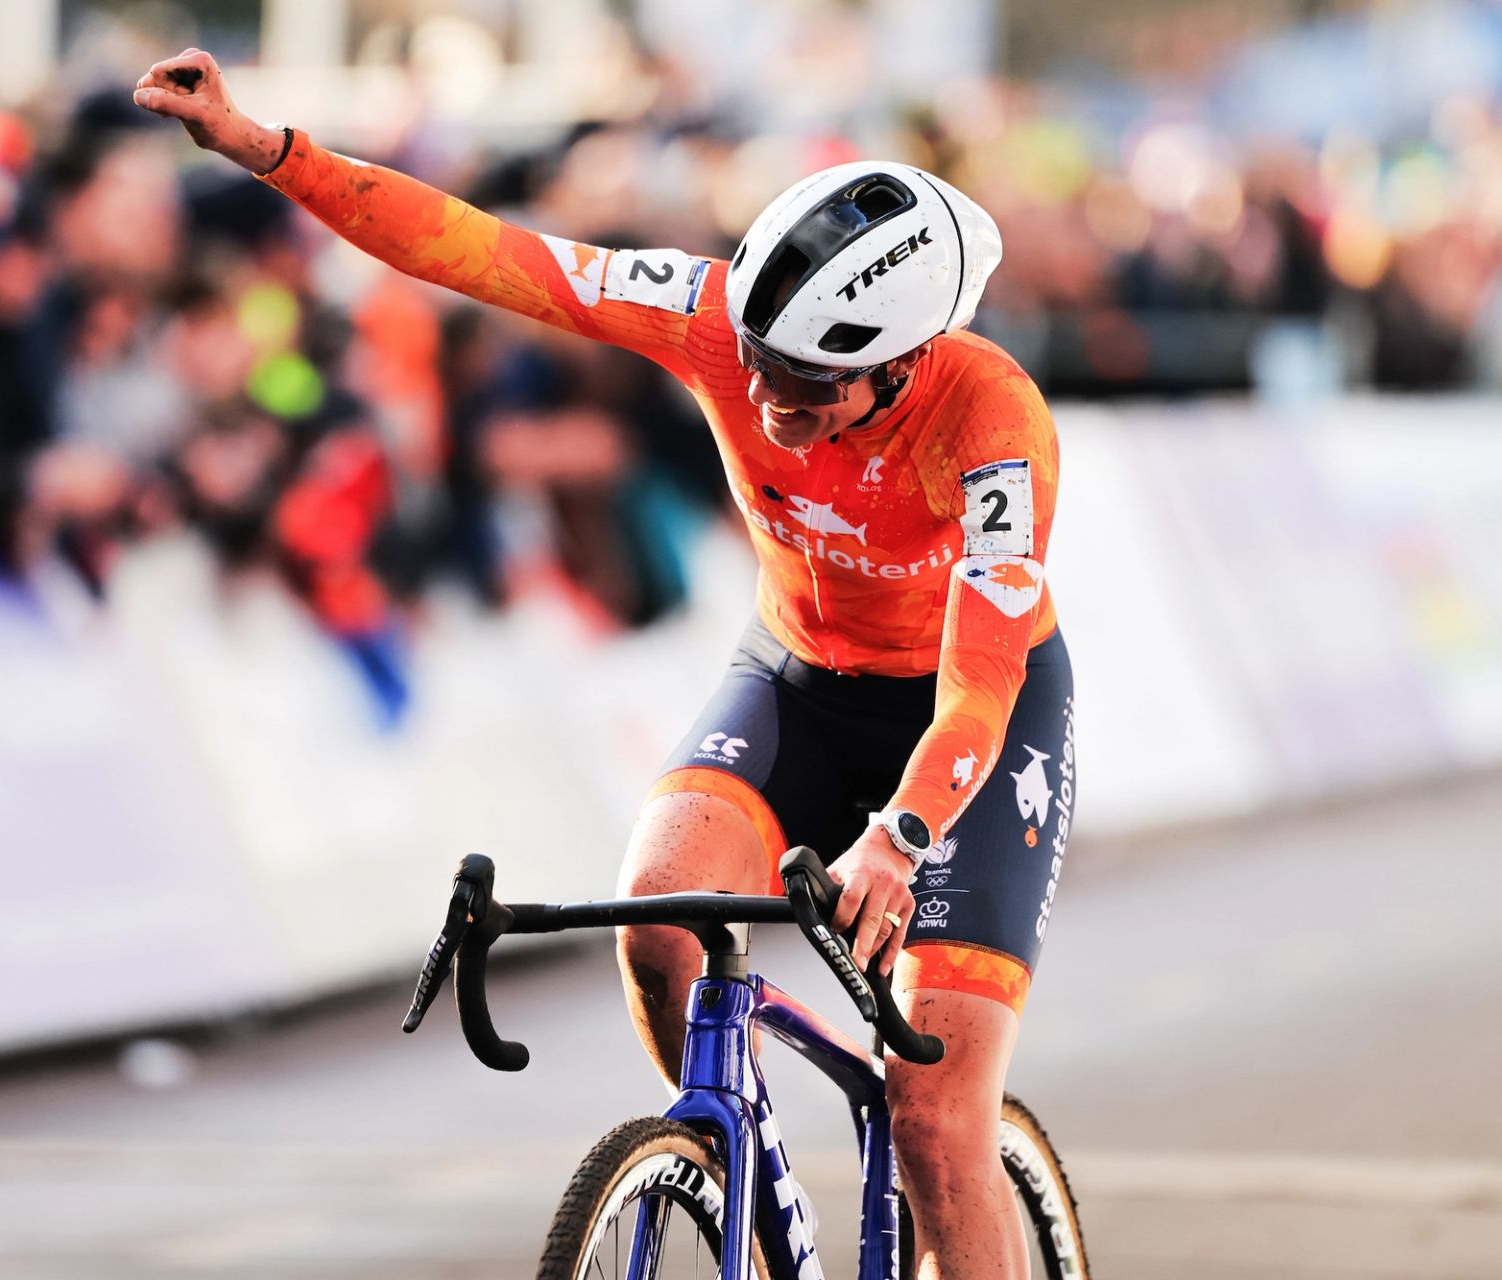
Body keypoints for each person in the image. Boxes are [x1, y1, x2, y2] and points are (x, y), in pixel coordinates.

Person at [136, 50, 1074, 1278]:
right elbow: (482, 251)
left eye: (809, 384)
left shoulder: (992, 422)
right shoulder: (715, 318)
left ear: (901, 363)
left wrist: (902, 835)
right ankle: (728, 1167)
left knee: (936, 1126)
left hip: (965, 719)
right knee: (658, 924)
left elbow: (987, 669)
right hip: (799, 670)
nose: (770, 398)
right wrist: (273, 151)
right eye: (761, 364)